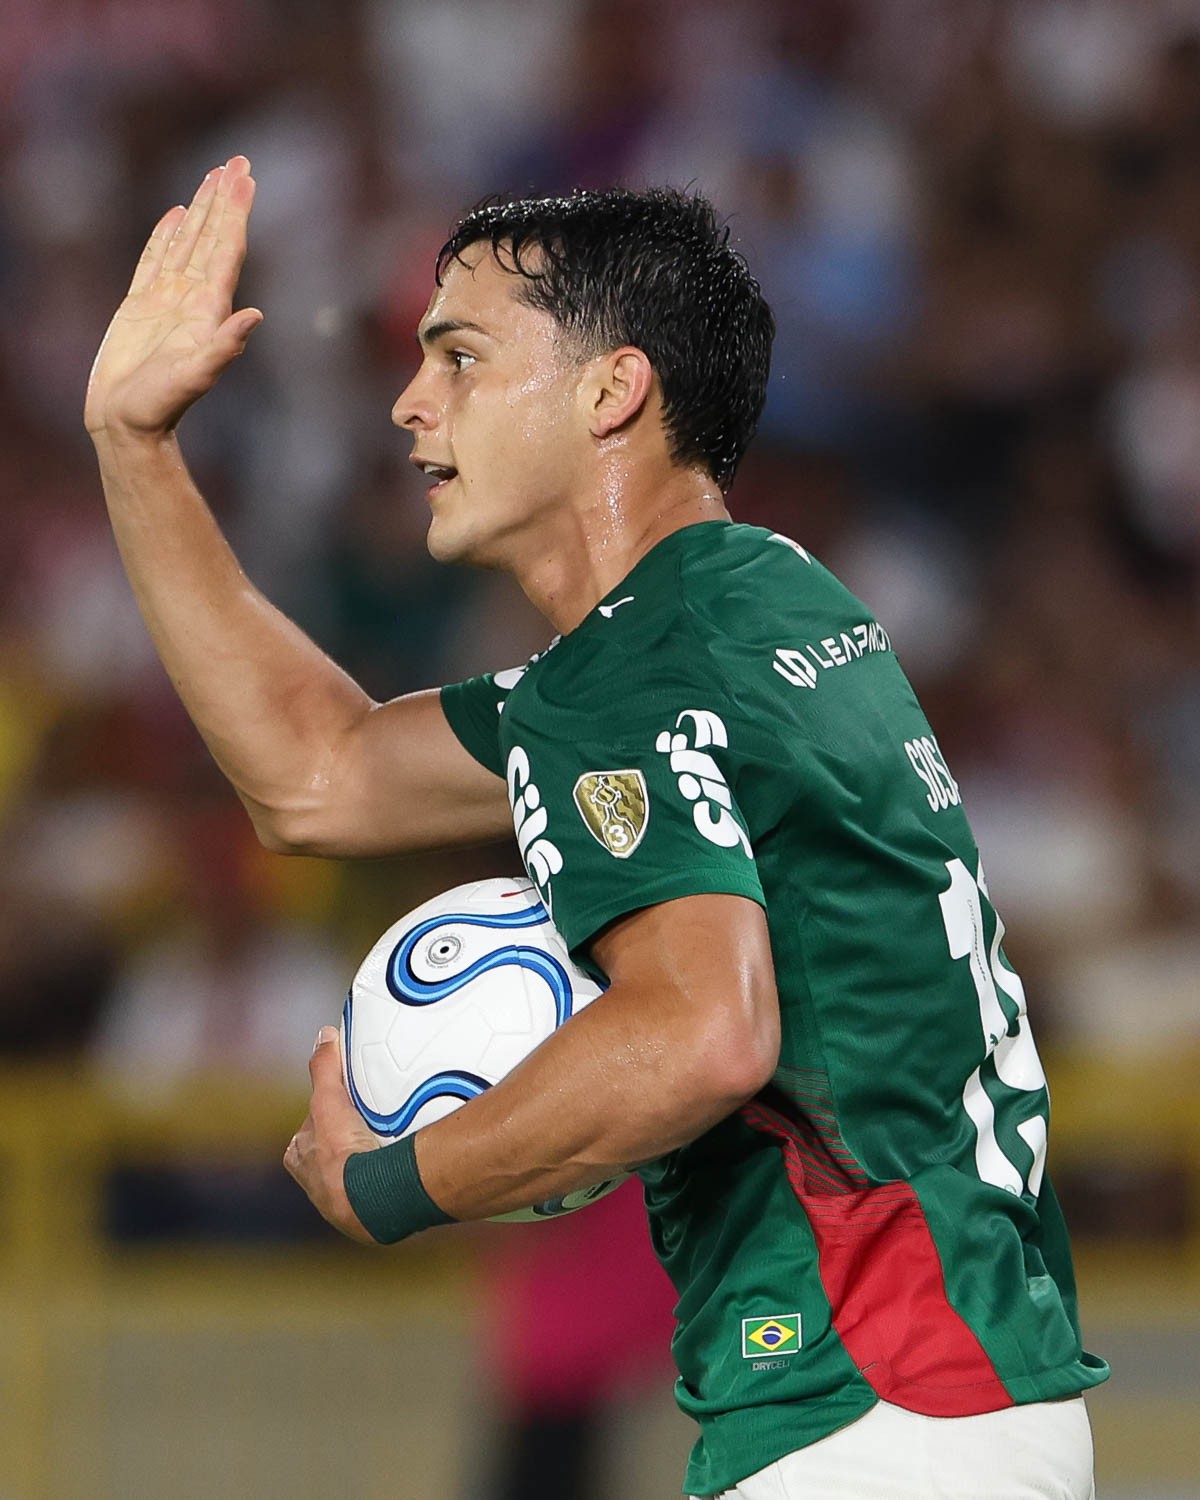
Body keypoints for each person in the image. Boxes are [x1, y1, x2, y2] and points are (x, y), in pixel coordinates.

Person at [86, 157, 1108, 1499]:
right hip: (961, 1384)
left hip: (871, 1404)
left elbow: (702, 1032)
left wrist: (395, 1182)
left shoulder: (635, 672)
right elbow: (318, 774)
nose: (410, 402)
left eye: (460, 357)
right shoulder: (762, 600)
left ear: (612, 391)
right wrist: (136, 448)